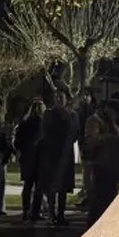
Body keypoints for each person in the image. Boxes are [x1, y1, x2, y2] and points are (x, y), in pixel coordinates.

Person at [85, 99, 119, 225]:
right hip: (101, 164)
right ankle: (94, 223)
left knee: (110, 196)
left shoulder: (111, 122)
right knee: (100, 197)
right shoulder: (94, 120)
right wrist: (110, 138)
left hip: (112, 164)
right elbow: (91, 140)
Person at [40, 89, 79, 225]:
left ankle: (61, 214)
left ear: (66, 99)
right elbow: (46, 131)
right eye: (56, 97)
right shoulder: (49, 114)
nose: (58, 99)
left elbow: (75, 132)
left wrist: (67, 118)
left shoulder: (72, 115)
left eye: (61, 97)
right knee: (52, 184)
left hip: (66, 154)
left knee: (63, 186)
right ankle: (52, 213)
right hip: (52, 154)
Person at [15, 99, 46, 222]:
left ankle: (26, 210)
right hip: (39, 158)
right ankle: (35, 212)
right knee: (38, 187)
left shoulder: (24, 123)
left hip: (27, 158)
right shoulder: (43, 124)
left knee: (28, 185)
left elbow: (17, 141)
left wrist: (22, 152)